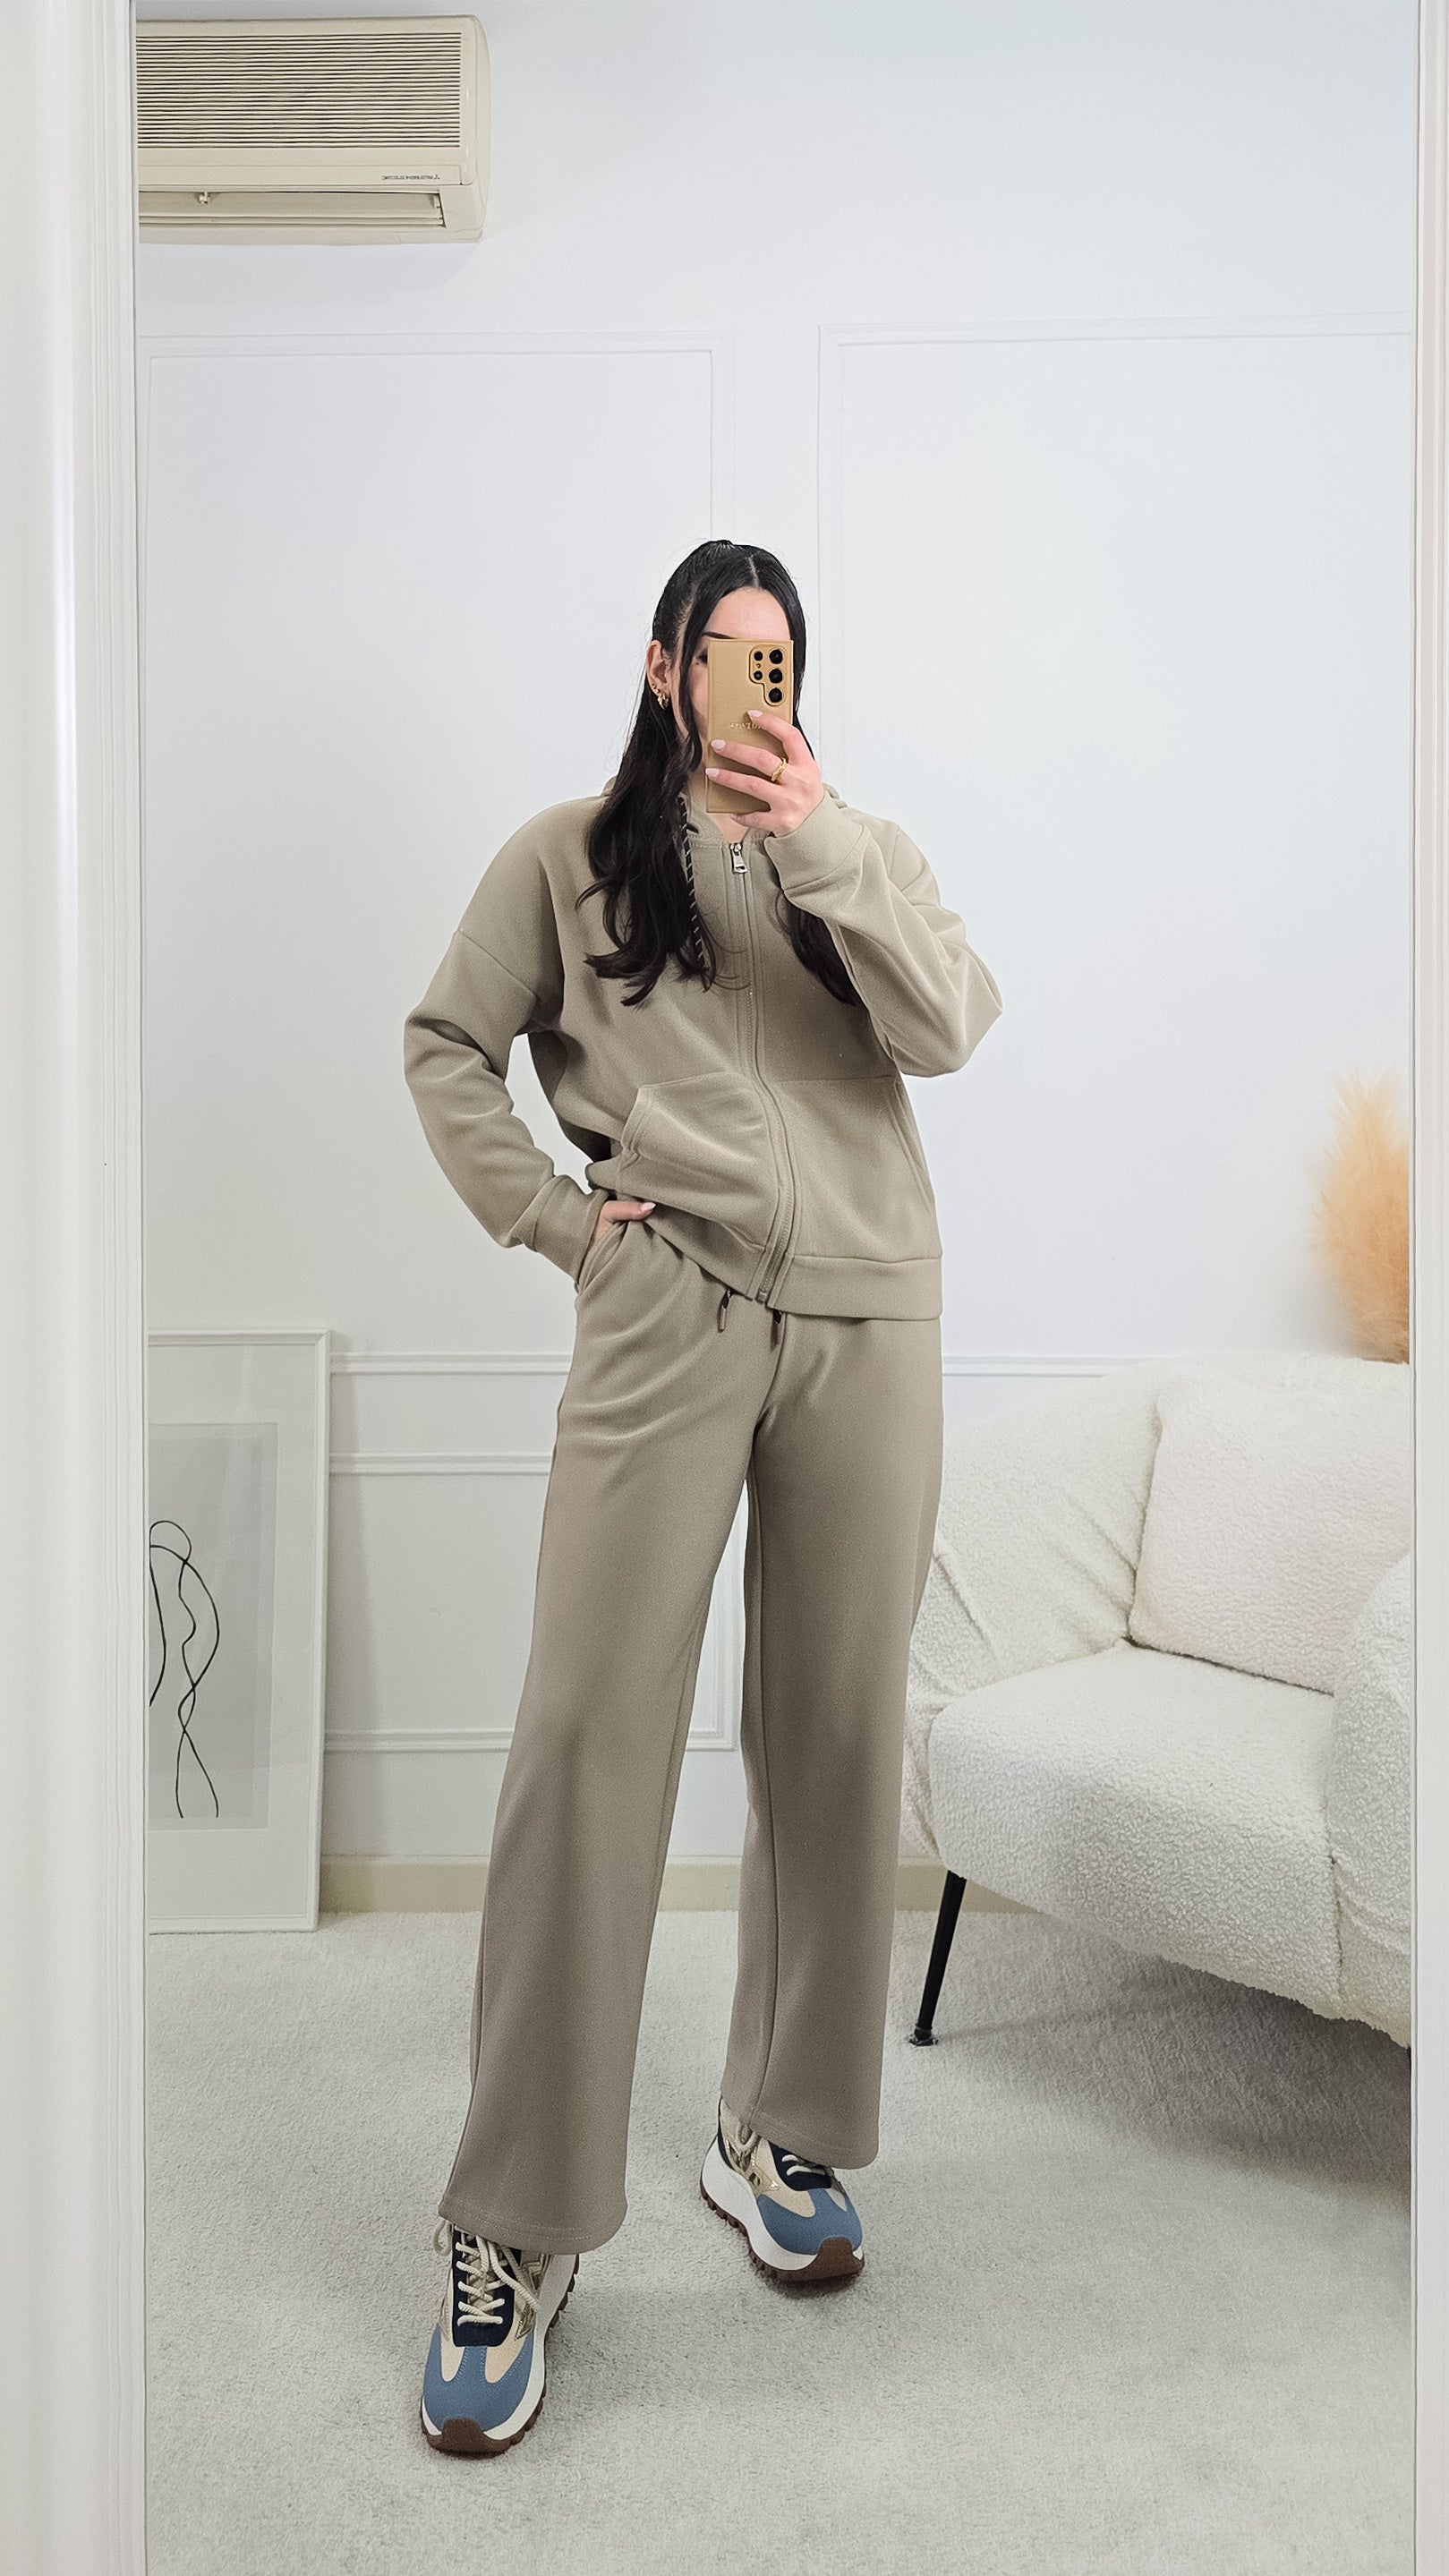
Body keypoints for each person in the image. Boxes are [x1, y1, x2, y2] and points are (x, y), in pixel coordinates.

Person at [402, 538, 1003, 2455]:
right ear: (662, 668)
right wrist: (560, 1223)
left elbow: (951, 1022)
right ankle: (514, 2217)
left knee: (835, 1732)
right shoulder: (565, 858)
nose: (758, 685)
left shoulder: (858, 849)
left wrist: (819, 841)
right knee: (586, 1731)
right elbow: (445, 1046)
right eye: (727, 655)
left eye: (782, 659)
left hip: (870, 1319)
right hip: (666, 1306)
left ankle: (777, 2128)